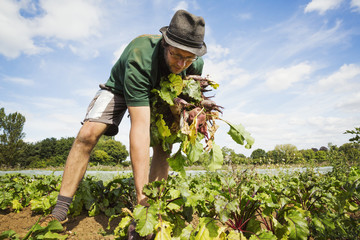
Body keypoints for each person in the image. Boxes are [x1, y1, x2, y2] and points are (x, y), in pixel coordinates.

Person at [39, 9, 207, 238]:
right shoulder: (140, 56)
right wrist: (140, 201)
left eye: (188, 58)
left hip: (163, 93)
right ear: (165, 44)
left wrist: (190, 112)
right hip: (120, 88)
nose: (181, 63)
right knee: (87, 134)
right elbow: (139, 129)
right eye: (176, 55)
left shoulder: (192, 65)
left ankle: (153, 208)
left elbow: (185, 99)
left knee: (164, 144)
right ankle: (60, 209)